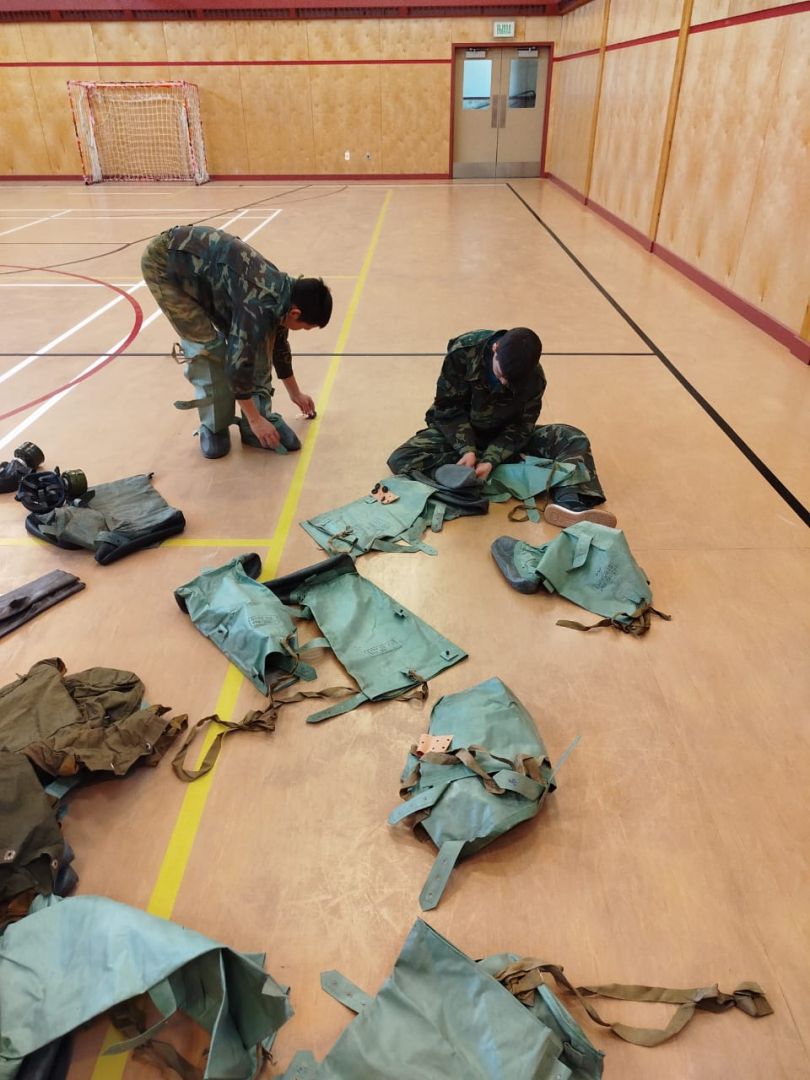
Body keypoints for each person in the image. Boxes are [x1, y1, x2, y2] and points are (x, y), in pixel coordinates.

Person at [387, 328, 616, 527]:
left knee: (571, 437)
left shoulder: (534, 378)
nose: (504, 383)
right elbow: (447, 410)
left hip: (505, 438)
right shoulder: (464, 352)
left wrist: (491, 458)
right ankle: (470, 479)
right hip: (462, 433)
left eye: (512, 380)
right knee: (402, 458)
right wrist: (467, 449)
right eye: (501, 375)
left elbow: (522, 427)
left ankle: (570, 503)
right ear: (495, 348)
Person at [141, 225, 332, 459]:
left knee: (262, 342)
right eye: (306, 327)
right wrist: (255, 420)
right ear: (295, 313)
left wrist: (295, 393)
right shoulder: (258, 306)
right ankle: (215, 426)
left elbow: (278, 345)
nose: (303, 330)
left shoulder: (283, 295)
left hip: (206, 271)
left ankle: (253, 428)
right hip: (165, 264)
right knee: (208, 349)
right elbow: (237, 365)